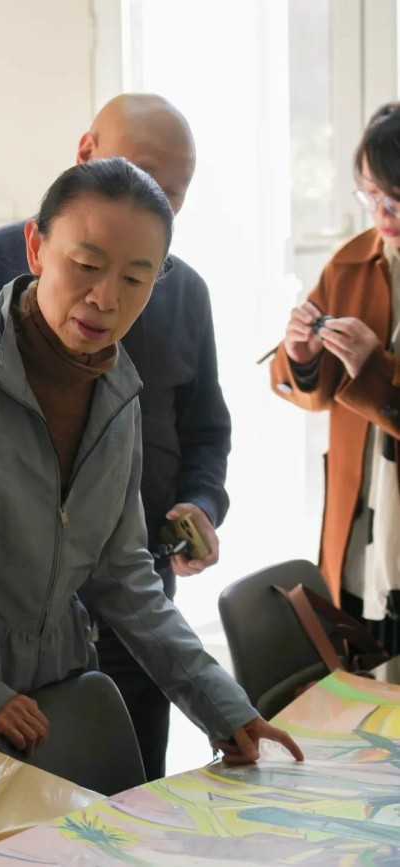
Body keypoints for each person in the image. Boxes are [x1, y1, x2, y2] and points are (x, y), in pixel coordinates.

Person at [0, 157, 303, 775]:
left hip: (48, 691)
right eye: (87, 265)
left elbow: (123, 576)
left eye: (136, 278)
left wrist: (222, 703)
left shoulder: (119, 390)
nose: (105, 297)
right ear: (36, 246)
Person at [0, 93, 231, 780]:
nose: (106, 300)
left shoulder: (178, 302)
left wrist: (201, 501)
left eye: (171, 195)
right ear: (86, 151)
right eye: (86, 269)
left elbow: (206, 427)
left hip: (132, 599)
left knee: (126, 796)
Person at [270, 102, 400, 654]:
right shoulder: (350, 264)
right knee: (368, 687)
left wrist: (375, 367)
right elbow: (306, 388)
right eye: (370, 193)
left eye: (393, 195)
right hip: (361, 519)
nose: (381, 211)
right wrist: (301, 354)